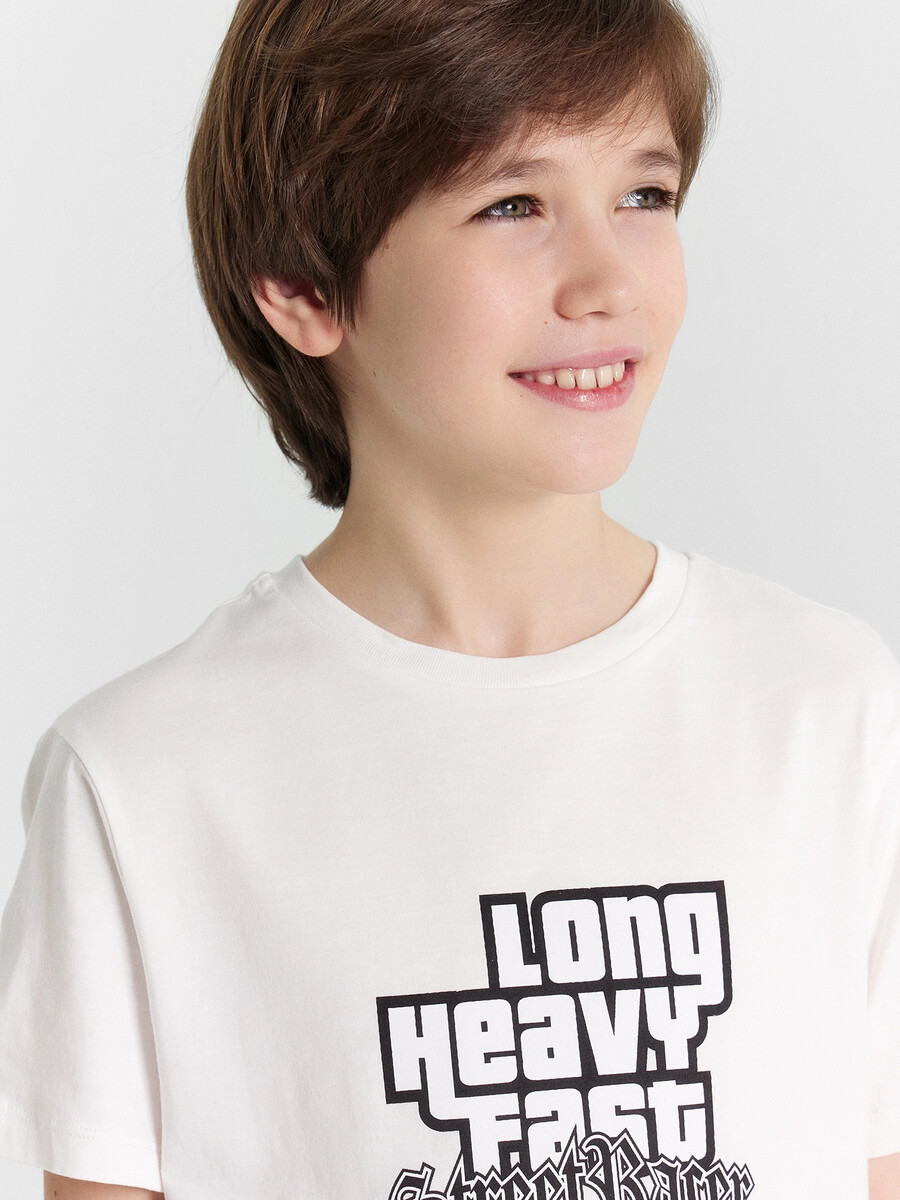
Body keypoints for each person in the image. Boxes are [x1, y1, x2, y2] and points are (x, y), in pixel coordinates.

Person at [1, 0, 899, 1197]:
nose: (609, 282)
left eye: (645, 195)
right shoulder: (142, 784)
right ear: (302, 283)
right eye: (514, 205)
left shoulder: (831, 712)